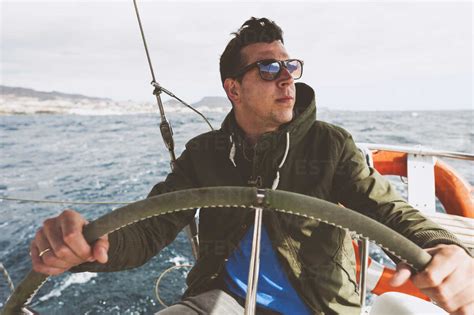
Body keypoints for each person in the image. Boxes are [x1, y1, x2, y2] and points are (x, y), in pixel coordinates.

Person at [30, 17, 473, 315]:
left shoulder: (330, 144)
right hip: (220, 298)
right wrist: (88, 246)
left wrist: (444, 246)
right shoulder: (204, 153)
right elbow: (150, 229)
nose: (286, 77)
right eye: (267, 69)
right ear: (233, 89)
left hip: (317, 305)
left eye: (289, 66)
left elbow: (387, 209)